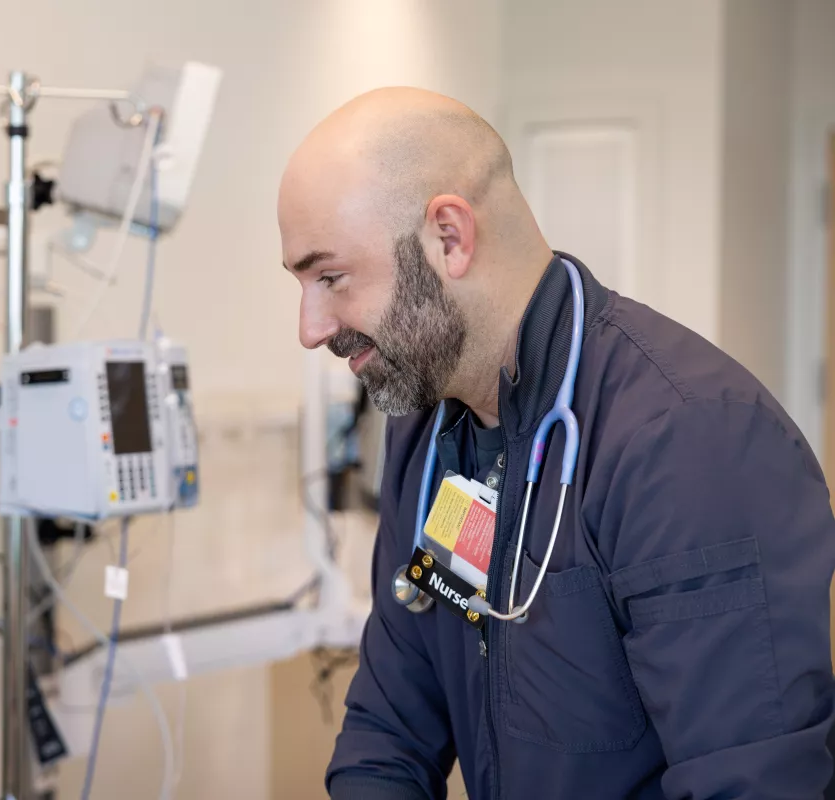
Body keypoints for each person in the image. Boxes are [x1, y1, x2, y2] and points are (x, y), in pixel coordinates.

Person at [277, 86, 835, 799]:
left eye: (331, 277)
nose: (310, 327)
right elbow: (387, 730)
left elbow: (750, 783)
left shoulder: (686, 441)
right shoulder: (429, 434)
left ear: (448, 237)